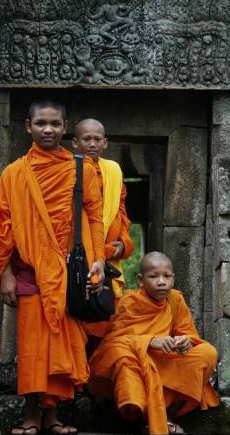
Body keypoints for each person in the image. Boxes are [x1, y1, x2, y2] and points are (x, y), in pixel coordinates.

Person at [0, 100, 107, 435]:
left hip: (69, 273)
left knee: (62, 342)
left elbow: (96, 217)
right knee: (31, 347)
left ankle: (53, 415)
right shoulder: (14, 173)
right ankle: (31, 414)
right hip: (28, 270)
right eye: (41, 123)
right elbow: (4, 226)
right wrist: (4, 273)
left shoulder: (80, 169)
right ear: (27, 126)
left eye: (55, 123)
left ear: (65, 127)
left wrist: (98, 259)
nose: (48, 129)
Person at [88, 252, 219, 435]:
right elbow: (114, 341)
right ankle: (150, 416)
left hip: (162, 361)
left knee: (207, 353)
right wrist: (150, 342)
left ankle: (162, 413)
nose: (161, 282)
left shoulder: (175, 299)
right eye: (153, 276)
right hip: (138, 361)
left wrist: (184, 341)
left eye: (166, 276)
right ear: (141, 280)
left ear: (173, 278)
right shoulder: (129, 302)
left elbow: (187, 333)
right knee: (120, 356)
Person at [72, 119, 134, 341]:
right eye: (86, 139)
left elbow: (121, 214)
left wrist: (123, 243)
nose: (92, 144)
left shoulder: (114, 171)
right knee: (76, 321)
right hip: (78, 256)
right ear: (75, 142)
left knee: (104, 323)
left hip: (107, 260)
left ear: (105, 143)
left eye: (97, 139)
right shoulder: (68, 170)